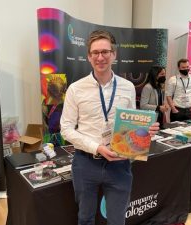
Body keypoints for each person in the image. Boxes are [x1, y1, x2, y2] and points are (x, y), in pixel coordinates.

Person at [60, 30, 159, 225]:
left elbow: (133, 125)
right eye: (95, 53)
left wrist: (146, 130)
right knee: (85, 218)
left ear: (114, 54)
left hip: (120, 165)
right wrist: (96, 147)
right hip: (86, 163)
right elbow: (66, 128)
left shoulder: (128, 87)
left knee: (117, 220)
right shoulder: (76, 89)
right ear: (88, 56)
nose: (100, 57)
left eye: (105, 51)